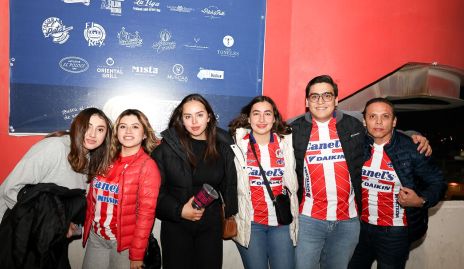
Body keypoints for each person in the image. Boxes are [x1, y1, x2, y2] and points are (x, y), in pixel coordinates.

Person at [289, 75, 432, 269]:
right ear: (307, 101)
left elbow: (381, 128)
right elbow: (263, 132)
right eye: (314, 96)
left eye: (327, 95)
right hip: (309, 221)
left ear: (336, 100)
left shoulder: (353, 123)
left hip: (347, 222)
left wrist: (413, 135)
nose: (321, 101)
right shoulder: (292, 129)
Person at [0, 108, 112, 268]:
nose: (93, 134)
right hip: (18, 233)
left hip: (49, 240)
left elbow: (73, 212)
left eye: (100, 129)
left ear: (105, 136)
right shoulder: (55, 147)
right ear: (77, 127)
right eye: (87, 126)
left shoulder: (90, 162)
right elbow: (10, 189)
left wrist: (71, 228)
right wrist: (38, 226)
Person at [347, 98, 446, 269]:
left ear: (394, 121)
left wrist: (420, 200)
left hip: (395, 232)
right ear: (364, 120)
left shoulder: (412, 148)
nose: (378, 122)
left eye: (385, 116)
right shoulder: (357, 144)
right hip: (361, 229)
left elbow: (438, 182)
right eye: (372, 116)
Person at [151, 93, 238, 269]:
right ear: (181, 120)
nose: (194, 121)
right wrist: (180, 210)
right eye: (188, 116)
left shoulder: (223, 147)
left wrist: (231, 211)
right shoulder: (165, 149)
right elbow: (154, 194)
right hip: (176, 226)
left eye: (199, 115)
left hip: (210, 227)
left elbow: (229, 185)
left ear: (209, 117)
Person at [82, 109, 161, 269]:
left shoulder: (148, 166)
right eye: (123, 126)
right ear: (117, 131)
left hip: (125, 243)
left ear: (144, 134)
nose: (128, 131)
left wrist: (137, 255)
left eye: (135, 127)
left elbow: (146, 214)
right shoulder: (104, 158)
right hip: (96, 237)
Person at [228, 96, 299, 269]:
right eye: (256, 114)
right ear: (248, 118)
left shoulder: (286, 145)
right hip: (251, 225)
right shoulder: (237, 146)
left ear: (274, 118)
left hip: (281, 223)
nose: (261, 119)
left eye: (267, 114)